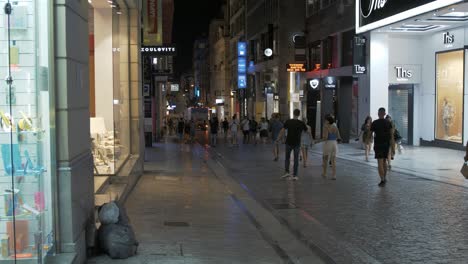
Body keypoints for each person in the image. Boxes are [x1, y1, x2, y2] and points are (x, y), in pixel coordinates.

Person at [276, 109, 307, 181]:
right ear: (299, 114)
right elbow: (307, 131)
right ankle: (295, 175)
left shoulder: (288, 121)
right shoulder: (301, 123)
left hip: (288, 142)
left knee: (287, 158)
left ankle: (287, 172)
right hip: (297, 143)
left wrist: (278, 138)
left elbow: (282, 130)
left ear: (293, 113)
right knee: (296, 159)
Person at [371, 107, 393, 187]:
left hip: (378, 144)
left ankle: (382, 180)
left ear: (378, 113)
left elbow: (370, 134)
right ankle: (385, 177)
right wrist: (392, 145)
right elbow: (391, 135)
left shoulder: (375, 123)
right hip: (386, 145)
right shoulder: (388, 122)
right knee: (384, 161)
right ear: (384, 113)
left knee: (380, 162)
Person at [322, 115, 341, 180]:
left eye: (325, 120)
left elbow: (325, 137)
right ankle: (334, 175)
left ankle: (324, 173)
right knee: (333, 160)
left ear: (328, 120)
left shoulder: (326, 126)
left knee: (325, 159)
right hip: (334, 144)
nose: (325, 121)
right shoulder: (335, 125)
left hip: (328, 143)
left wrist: (319, 140)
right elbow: (338, 136)